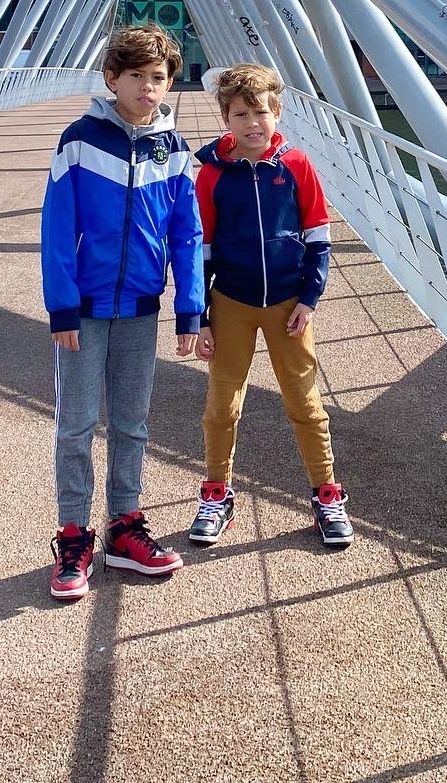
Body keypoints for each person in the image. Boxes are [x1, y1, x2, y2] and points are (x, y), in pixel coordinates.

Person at [41, 24, 204, 602]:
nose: (147, 87)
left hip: (140, 308)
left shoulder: (175, 150)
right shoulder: (80, 140)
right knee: (77, 427)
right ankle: (73, 537)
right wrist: (60, 305)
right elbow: (57, 229)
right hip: (81, 311)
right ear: (112, 78)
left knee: (133, 424)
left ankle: (124, 529)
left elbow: (187, 235)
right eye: (136, 75)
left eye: (158, 78)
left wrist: (190, 309)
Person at [188, 63, 353, 548]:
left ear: (277, 112)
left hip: (288, 305)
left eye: (260, 111)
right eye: (240, 114)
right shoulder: (212, 176)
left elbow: (319, 236)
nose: (252, 123)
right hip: (231, 301)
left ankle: (326, 495)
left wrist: (310, 297)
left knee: (305, 403)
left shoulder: (297, 166)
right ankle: (217, 493)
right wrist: (200, 318)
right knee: (222, 404)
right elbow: (202, 249)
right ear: (226, 118)